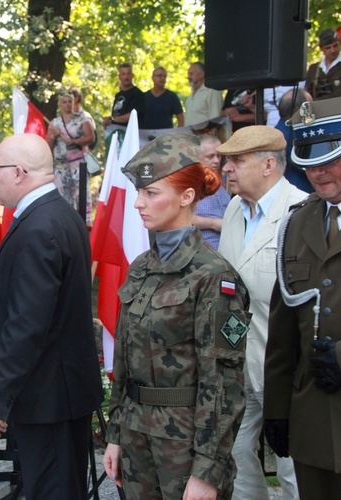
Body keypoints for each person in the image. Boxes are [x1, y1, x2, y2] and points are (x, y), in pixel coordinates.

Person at [103, 133, 250, 499]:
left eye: (151, 193)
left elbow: (223, 386)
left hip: (185, 445)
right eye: (140, 192)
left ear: (187, 197)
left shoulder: (214, 276)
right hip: (137, 437)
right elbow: (125, 361)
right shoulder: (141, 268)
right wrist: (117, 434)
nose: (138, 203)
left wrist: (207, 471)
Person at [0, 134, 103, 499]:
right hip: (54, 391)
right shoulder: (55, 214)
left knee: (53, 490)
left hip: (48, 395)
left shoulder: (40, 226)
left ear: (19, 172)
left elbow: (27, 323)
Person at [264, 92, 341, 499]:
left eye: (330, 159)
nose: (317, 172)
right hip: (316, 426)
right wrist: (277, 412)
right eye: (308, 159)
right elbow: (283, 329)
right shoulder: (298, 222)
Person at [216, 126, 304, 500]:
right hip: (236, 363)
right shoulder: (235, 208)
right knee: (233, 459)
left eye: (237, 160)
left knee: (293, 467)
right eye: (226, 161)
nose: (227, 169)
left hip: (285, 370)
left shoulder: (300, 212)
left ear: (269, 164)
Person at [47, 92, 95, 222]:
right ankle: (65, 221)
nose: (67, 104)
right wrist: (54, 135)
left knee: (81, 194)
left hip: (78, 164)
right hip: (60, 165)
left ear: (74, 103)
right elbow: (48, 144)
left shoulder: (81, 119)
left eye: (70, 101)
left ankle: (83, 222)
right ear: (60, 104)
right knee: (63, 195)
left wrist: (74, 142)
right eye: (64, 102)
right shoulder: (54, 123)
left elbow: (90, 138)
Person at [193, 134, 231, 250]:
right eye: (210, 156)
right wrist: (214, 223)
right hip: (200, 253)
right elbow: (179, 217)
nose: (216, 161)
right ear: (197, 157)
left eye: (219, 156)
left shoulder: (220, 184)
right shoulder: (189, 184)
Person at [274, 88, 314, 194]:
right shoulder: (297, 138)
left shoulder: (276, 133)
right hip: (301, 197)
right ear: (302, 110)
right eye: (311, 106)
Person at [305, 28, 341, 101]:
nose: (333, 50)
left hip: (340, 109)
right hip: (316, 110)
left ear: (339, 43)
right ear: (321, 48)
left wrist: (316, 101)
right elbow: (307, 94)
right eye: (328, 48)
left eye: (335, 46)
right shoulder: (313, 69)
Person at [102, 63, 145, 129]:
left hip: (131, 132)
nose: (126, 77)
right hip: (117, 131)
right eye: (123, 74)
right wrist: (108, 121)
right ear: (119, 76)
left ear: (132, 75)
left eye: (128, 74)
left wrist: (112, 119)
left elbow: (132, 116)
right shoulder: (118, 95)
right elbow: (115, 114)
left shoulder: (137, 94)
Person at [185, 62, 224, 128]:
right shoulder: (192, 94)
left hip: (205, 137)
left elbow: (216, 120)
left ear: (201, 74)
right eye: (188, 74)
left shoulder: (212, 91)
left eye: (191, 74)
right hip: (190, 137)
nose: (188, 77)